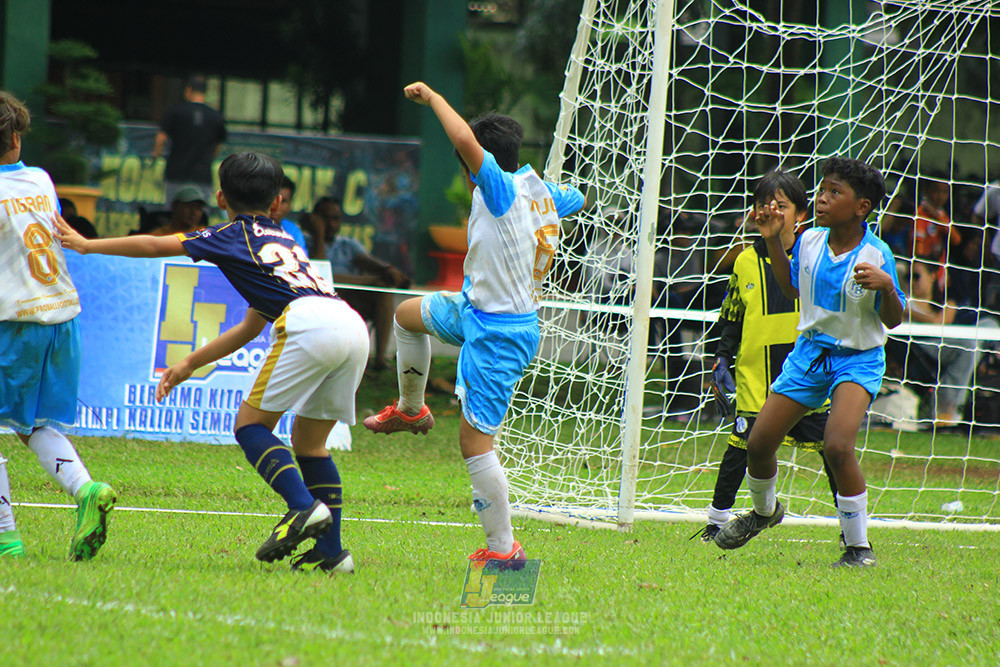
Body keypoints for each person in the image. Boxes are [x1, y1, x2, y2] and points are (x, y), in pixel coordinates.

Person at [55, 152, 367, 574]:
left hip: (310, 323)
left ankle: (302, 507)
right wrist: (188, 363)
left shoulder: (230, 234)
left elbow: (156, 244)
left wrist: (88, 245)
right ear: (277, 202)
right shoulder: (286, 242)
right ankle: (332, 554)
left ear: (221, 198)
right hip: (350, 324)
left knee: (251, 427)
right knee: (311, 446)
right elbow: (248, 328)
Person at [363, 82, 584, 568]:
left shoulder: (499, 190)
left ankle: (504, 549)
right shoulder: (536, 191)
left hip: (500, 334)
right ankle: (411, 409)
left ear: (475, 166)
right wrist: (546, 198)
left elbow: (464, 138)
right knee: (406, 316)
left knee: (474, 443)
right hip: (474, 309)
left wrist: (432, 98)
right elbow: (578, 197)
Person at [713, 156, 905, 568]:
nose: (822, 198)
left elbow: (894, 319)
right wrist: (771, 240)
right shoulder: (810, 241)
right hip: (810, 354)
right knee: (759, 443)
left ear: (861, 207)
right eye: (822, 190)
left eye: (835, 192)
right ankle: (764, 512)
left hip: (857, 360)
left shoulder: (877, 253)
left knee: (837, 445)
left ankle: (858, 548)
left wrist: (888, 288)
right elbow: (791, 288)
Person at [0, 90, 117, 561]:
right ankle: (86, 490)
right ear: (16, 138)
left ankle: (5, 537)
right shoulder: (41, 180)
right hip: (62, 315)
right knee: (36, 425)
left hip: (14, 322)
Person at [696, 171, 839, 541]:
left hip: (806, 372)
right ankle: (716, 521)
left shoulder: (817, 256)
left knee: (833, 450)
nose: (769, 210)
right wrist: (721, 357)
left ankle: (851, 530)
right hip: (756, 373)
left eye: (780, 205)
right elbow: (732, 316)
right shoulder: (744, 260)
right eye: (762, 204)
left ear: (800, 215)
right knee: (741, 446)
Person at [306, 196, 411, 371]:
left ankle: (380, 359)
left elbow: (366, 261)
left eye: (336, 219)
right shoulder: (304, 242)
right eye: (325, 218)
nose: (331, 224)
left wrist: (387, 270)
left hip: (351, 300)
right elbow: (321, 277)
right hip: (322, 300)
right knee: (375, 284)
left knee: (383, 291)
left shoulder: (347, 244)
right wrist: (318, 235)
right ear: (315, 219)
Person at [901, 260, 997, 427]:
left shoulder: (946, 302)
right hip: (923, 345)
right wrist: (906, 309)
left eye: (916, 276)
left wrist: (910, 313)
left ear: (932, 277)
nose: (912, 281)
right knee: (969, 346)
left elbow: (940, 322)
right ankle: (945, 409)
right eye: (908, 277)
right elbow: (938, 323)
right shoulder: (904, 302)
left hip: (948, 341)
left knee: (989, 325)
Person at [153, 75, 227, 206]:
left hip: (176, 173)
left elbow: (161, 138)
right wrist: (210, 158)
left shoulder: (176, 111)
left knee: (174, 210)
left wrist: (156, 155)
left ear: (188, 90)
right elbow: (219, 144)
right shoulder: (215, 116)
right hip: (202, 175)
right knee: (200, 212)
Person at [275, 175, 307, 249]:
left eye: (283, 201)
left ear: (290, 205)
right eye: (272, 199)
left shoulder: (293, 231)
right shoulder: (250, 227)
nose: (276, 206)